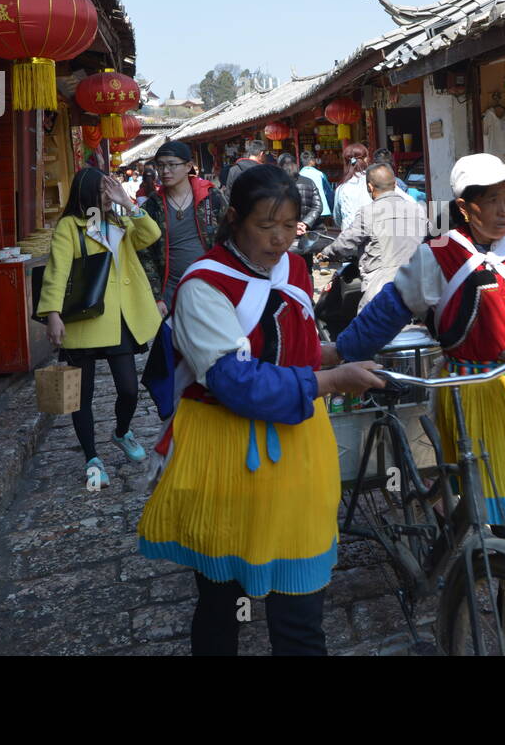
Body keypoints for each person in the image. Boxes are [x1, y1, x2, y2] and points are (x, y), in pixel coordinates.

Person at [137, 163, 385, 655]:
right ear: (234, 219)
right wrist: (330, 379)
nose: (278, 239)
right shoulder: (203, 286)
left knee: (300, 608)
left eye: (289, 226)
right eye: (264, 226)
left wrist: (333, 355)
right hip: (224, 451)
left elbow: (298, 344)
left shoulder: (293, 267)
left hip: (298, 448)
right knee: (221, 601)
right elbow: (234, 381)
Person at [325, 154, 505, 574]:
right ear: (466, 207)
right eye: (492, 201)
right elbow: (388, 311)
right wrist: (340, 353)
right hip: (475, 392)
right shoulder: (437, 258)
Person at [36, 166, 162, 486]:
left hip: (118, 318)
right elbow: (57, 272)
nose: (108, 197)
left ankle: (121, 431)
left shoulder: (120, 221)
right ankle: (92, 458)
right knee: (82, 395)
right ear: (88, 193)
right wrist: (52, 313)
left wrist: (128, 202)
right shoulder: (71, 226)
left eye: (111, 191)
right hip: (82, 322)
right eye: (103, 191)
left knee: (130, 390)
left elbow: (152, 235)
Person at [319, 163, 426, 309]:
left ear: (370, 187)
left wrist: (326, 253)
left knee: (364, 328)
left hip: (380, 287)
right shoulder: (418, 209)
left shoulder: (368, 213)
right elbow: (432, 240)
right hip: (417, 286)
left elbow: (346, 242)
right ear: (395, 184)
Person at [140, 141, 227, 315]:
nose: (165, 171)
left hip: (212, 285)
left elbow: (231, 237)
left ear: (188, 166)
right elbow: (145, 254)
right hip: (171, 292)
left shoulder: (210, 197)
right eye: (161, 165)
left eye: (172, 165)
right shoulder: (152, 206)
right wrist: (157, 297)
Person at [332, 143, 372, 231]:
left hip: (349, 238)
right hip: (374, 236)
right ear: (366, 160)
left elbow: (337, 219)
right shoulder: (375, 181)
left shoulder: (341, 188)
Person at [298, 150, 334, 219]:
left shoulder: (298, 175)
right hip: (322, 211)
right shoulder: (320, 174)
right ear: (311, 161)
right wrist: (331, 209)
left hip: (304, 213)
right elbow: (329, 193)